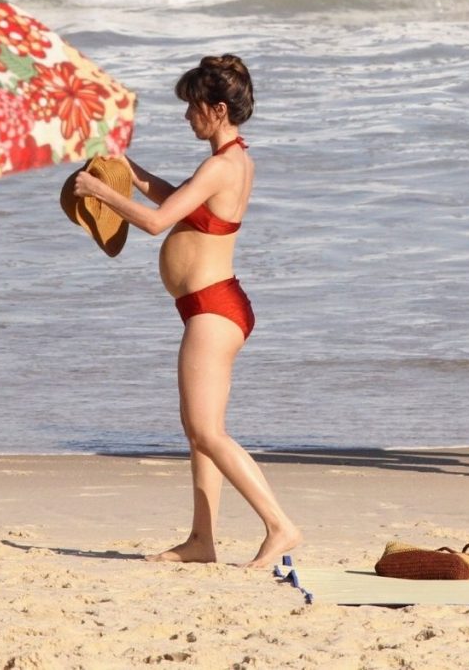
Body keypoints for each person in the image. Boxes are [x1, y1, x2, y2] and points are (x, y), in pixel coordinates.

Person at [74, 54, 301, 567]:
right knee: (199, 429)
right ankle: (202, 541)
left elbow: (157, 224)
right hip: (212, 304)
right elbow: (179, 202)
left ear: (217, 109)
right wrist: (130, 172)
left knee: (206, 431)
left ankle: (280, 525)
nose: (186, 117)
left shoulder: (220, 165)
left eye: (192, 108)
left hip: (214, 308)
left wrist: (100, 191)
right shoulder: (235, 160)